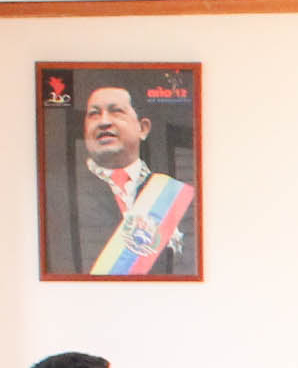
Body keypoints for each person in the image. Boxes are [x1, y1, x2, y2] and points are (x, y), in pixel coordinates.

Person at [46, 77, 195, 279]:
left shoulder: (172, 194)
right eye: (93, 114)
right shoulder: (59, 193)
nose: (104, 121)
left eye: (116, 111)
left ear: (143, 128)